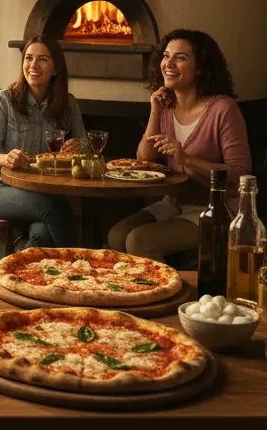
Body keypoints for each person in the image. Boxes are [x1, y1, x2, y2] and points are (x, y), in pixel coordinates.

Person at [107, 30, 252, 262]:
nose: (169, 63)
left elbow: (241, 174)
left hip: (217, 210)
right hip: (174, 203)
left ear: (201, 67)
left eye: (180, 57)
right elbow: (144, 160)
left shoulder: (223, 109)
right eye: (166, 56)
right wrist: (155, 109)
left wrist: (186, 159)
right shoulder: (166, 106)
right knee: (117, 235)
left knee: (138, 240)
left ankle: (169, 294)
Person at [0, 35, 86, 248]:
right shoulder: (3, 100)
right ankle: (79, 262)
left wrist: (79, 146)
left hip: (45, 191)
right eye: (28, 58)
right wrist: (6, 159)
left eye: (42, 59)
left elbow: (85, 146)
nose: (33, 65)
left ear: (56, 69)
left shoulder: (68, 104)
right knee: (55, 209)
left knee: (43, 232)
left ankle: (18, 272)